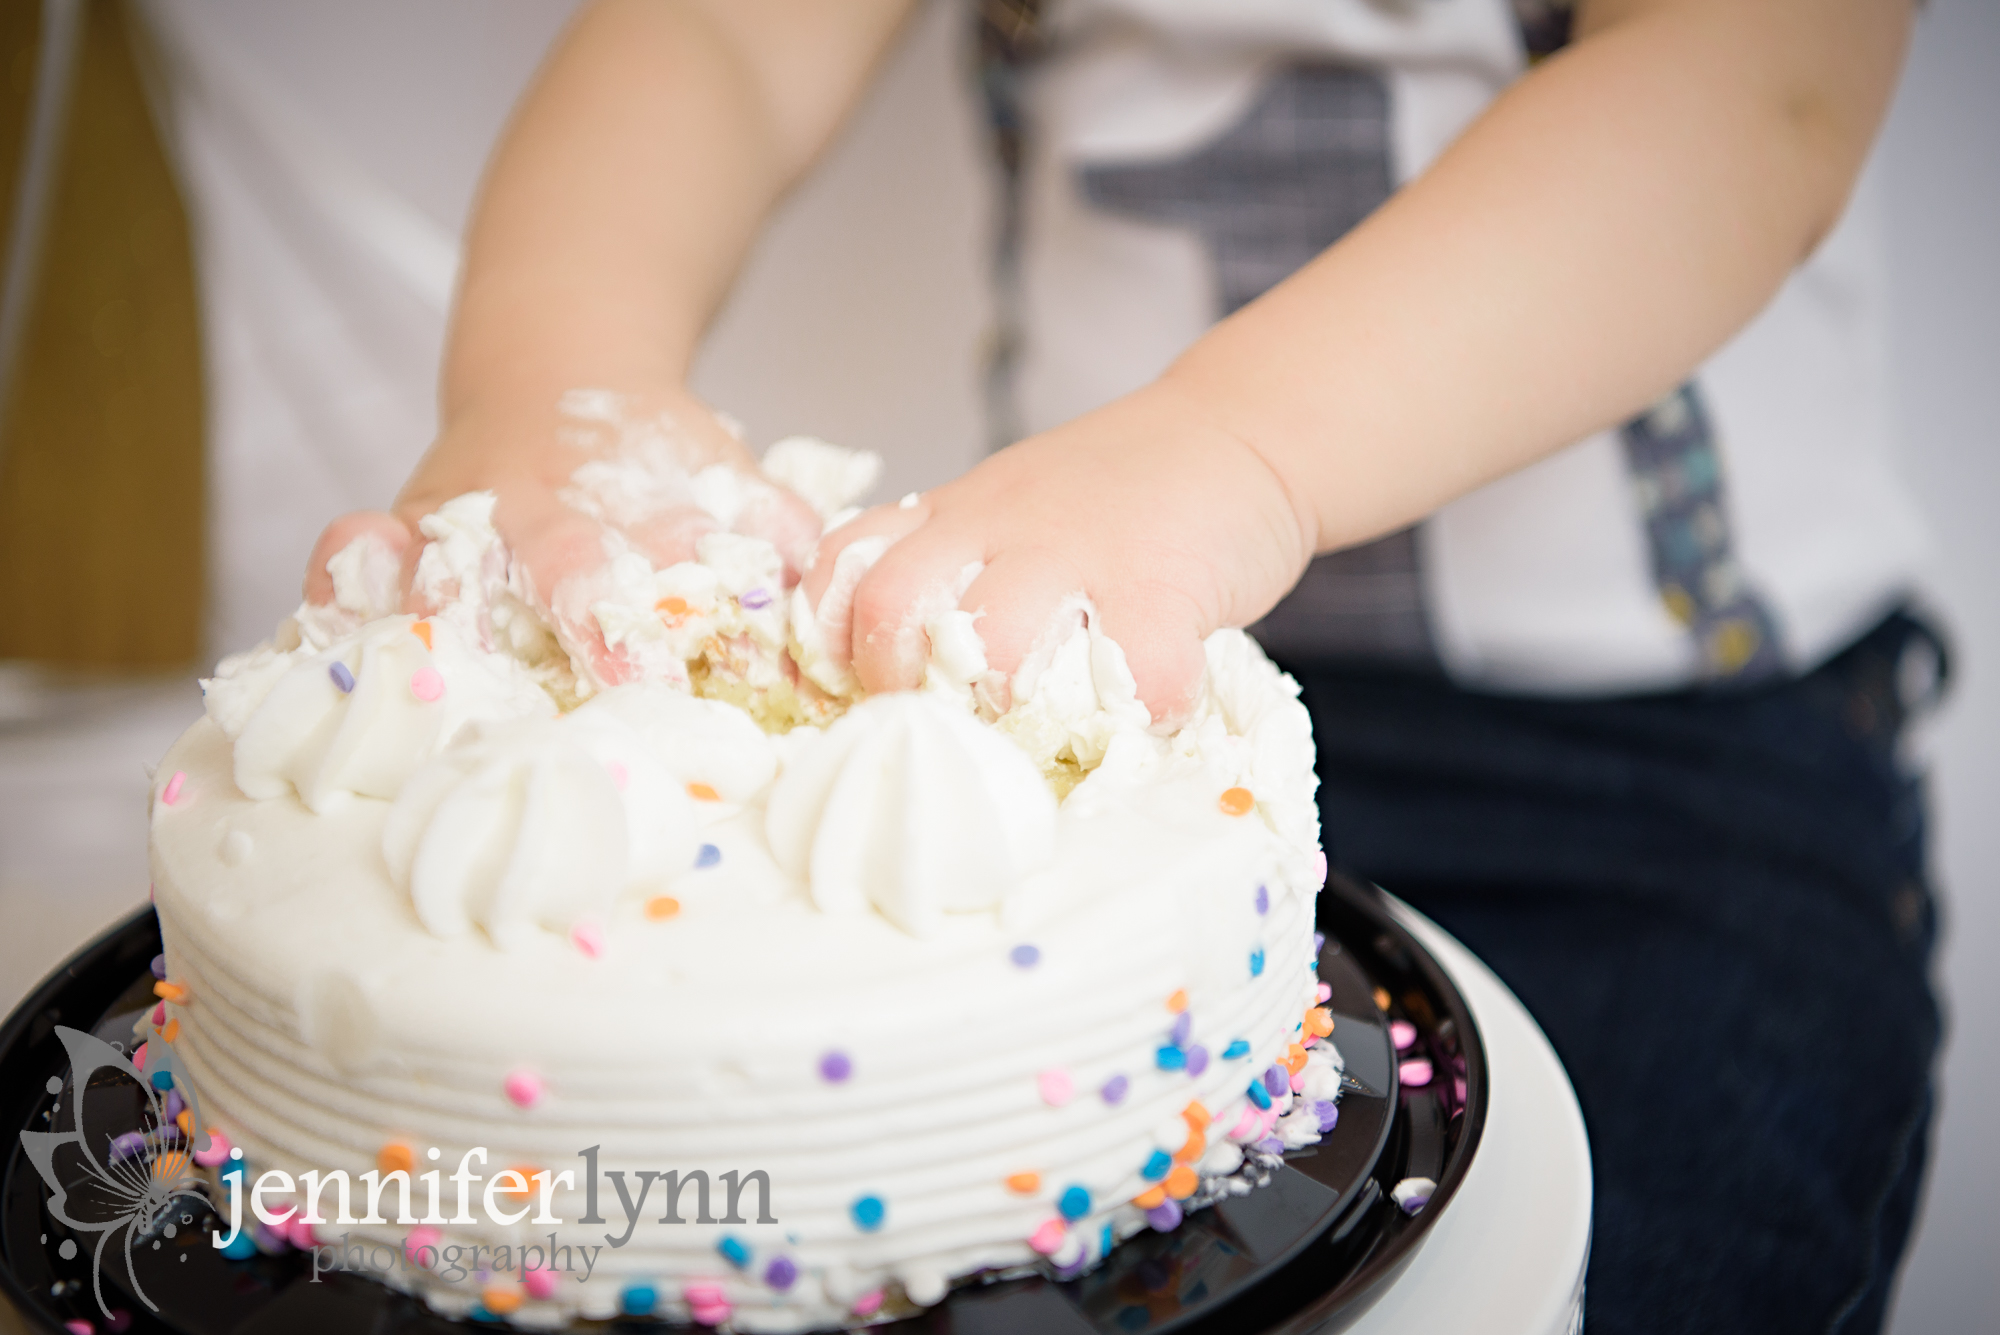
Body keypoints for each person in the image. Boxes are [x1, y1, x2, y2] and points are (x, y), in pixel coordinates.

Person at [299, 1, 1943, 1331]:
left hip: (1667, 780)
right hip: (1085, 747)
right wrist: (555, 373)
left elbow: (1752, 90)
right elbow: (716, 43)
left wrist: (1234, 452)